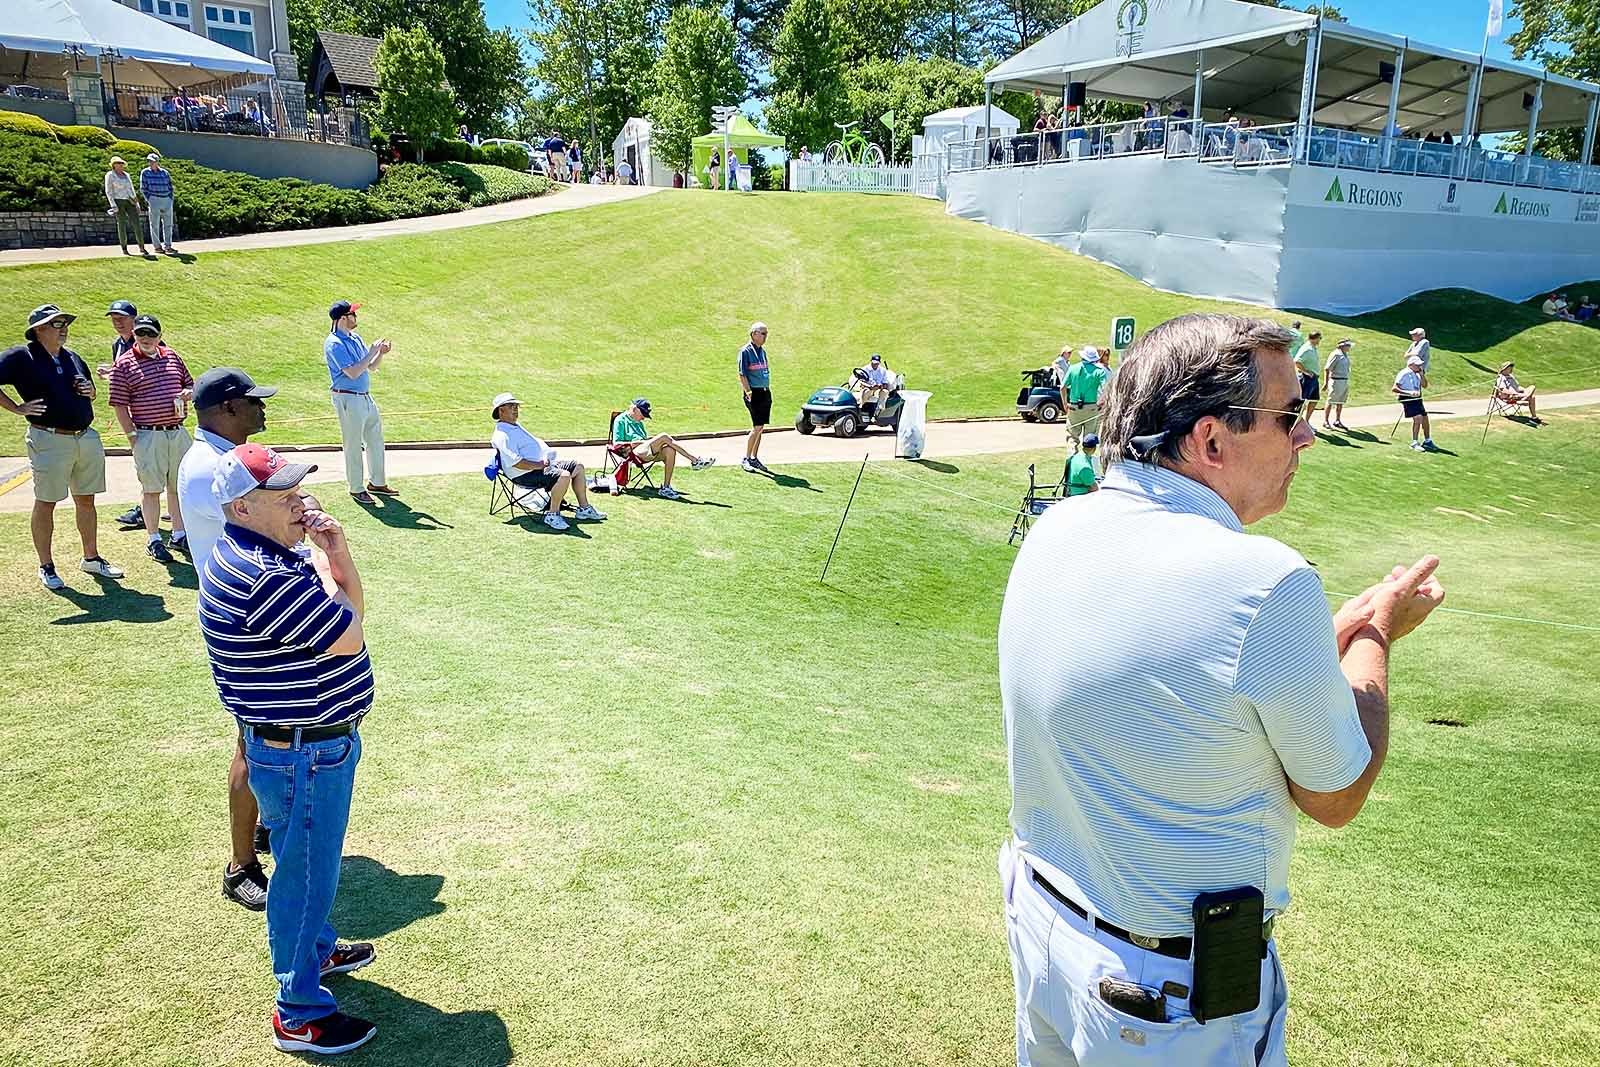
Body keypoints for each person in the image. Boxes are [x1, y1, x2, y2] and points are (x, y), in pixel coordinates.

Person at [998, 312, 1445, 1067]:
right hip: (1165, 1001)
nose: (1304, 436)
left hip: (1048, 929)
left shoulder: (1059, 527)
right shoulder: (1266, 582)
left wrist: (1308, 647)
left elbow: (1176, 679)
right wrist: (1372, 637)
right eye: (1289, 415)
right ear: (1211, 440)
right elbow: (1336, 794)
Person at [199, 443, 379, 1055]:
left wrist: (335, 553)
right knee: (304, 879)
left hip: (302, 746)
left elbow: (348, 616)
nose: (302, 504)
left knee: (307, 870)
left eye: (300, 491)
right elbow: (351, 635)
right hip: (303, 752)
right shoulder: (265, 573)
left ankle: (318, 950)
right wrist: (337, 565)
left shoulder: (270, 552)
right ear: (242, 508)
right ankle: (298, 1013)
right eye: (286, 496)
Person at [178, 366, 279, 911]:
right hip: (246, 625)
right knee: (253, 739)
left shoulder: (218, 461)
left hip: (257, 616)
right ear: (227, 409)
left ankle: (262, 826)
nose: (263, 411)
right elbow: (266, 530)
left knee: (267, 733)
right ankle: (241, 865)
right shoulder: (207, 469)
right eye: (254, 403)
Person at [0, 305, 124, 589]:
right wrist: (17, 408)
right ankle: (46, 565)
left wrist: (89, 391)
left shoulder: (73, 357)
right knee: (47, 502)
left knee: (86, 499)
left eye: (65, 322)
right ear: (38, 330)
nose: (64, 327)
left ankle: (91, 558)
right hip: (49, 438)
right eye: (56, 323)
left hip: (85, 437)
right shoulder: (22, 356)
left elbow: (91, 392)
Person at [108, 314, 194, 562]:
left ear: (159, 336)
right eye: (140, 334)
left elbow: (189, 383)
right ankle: (154, 538)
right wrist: (133, 436)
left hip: (176, 431)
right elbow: (119, 405)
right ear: (134, 335)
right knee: (151, 489)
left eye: (151, 334)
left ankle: (178, 534)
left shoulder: (172, 357)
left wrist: (188, 392)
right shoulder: (124, 364)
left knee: (177, 486)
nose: (145, 339)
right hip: (148, 433)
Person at [490, 393, 606, 530]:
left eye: (516, 406)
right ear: (501, 410)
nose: (516, 409)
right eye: (511, 406)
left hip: (540, 466)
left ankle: (584, 509)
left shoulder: (514, 425)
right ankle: (552, 514)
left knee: (578, 466)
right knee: (564, 475)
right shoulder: (502, 435)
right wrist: (539, 464)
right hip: (524, 475)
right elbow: (516, 462)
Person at [323, 300, 395, 504]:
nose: (356, 317)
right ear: (343, 318)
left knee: (375, 440)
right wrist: (372, 351)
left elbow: (369, 367)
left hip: (364, 397)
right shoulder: (334, 343)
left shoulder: (355, 338)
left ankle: (377, 482)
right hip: (347, 397)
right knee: (353, 443)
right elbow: (353, 372)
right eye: (353, 314)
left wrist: (380, 353)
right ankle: (356, 488)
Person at [610, 397, 715, 500]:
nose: (644, 418)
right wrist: (638, 443)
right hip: (632, 453)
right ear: (635, 409)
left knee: (670, 450)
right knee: (664, 436)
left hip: (645, 452)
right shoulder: (620, 420)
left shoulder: (639, 424)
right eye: (643, 414)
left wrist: (646, 442)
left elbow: (645, 441)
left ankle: (666, 487)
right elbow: (617, 444)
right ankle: (695, 460)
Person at [738, 322, 772, 474]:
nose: (765, 337)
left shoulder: (762, 352)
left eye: (766, 334)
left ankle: (754, 458)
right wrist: (748, 392)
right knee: (757, 427)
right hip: (754, 393)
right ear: (754, 334)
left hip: (765, 392)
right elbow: (742, 374)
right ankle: (746, 458)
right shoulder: (745, 351)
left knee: (761, 428)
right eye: (763, 333)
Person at [103, 156, 149, 257]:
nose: (120, 165)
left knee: (136, 223)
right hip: (118, 201)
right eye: (118, 163)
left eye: (121, 163)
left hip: (129, 200)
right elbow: (108, 191)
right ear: (113, 165)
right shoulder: (110, 175)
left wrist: (136, 203)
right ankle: (124, 247)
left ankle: (141, 246)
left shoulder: (126, 175)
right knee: (121, 224)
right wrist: (113, 205)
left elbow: (131, 189)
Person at [1064, 346, 1108, 443]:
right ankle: (1087, 457)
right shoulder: (1099, 371)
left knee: (1072, 438)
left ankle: (1072, 457)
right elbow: (1106, 389)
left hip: (1074, 406)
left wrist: (1064, 404)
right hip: (1092, 407)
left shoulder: (1073, 368)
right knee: (1090, 439)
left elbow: (1062, 387)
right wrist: (1101, 403)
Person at [1393, 354, 1433, 451]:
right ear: (1411, 364)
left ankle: (1428, 441)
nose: (1420, 367)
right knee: (1418, 418)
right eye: (1417, 365)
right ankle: (1414, 443)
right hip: (1407, 398)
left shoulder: (1418, 374)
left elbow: (1425, 386)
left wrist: (1422, 375)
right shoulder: (1404, 373)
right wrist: (1409, 392)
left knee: (1425, 418)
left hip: (1417, 398)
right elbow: (1394, 388)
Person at [140, 153, 177, 255]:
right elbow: (143, 188)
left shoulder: (165, 173)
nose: (151, 163)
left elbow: (170, 186)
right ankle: (157, 247)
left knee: (168, 224)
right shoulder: (145, 173)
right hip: (154, 200)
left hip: (166, 200)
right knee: (154, 224)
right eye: (149, 161)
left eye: (153, 161)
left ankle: (168, 246)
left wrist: (170, 198)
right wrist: (150, 199)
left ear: (157, 162)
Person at [1293, 329, 1321, 427]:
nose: (1320, 340)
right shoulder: (1307, 348)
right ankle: (1296, 422)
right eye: (1319, 338)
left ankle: (1307, 421)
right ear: (1314, 338)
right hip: (1307, 378)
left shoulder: (1313, 348)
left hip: (1314, 378)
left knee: (1314, 400)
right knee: (1303, 401)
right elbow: (1297, 361)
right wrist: (1306, 372)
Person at [1322, 338, 1353, 430]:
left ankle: (1337, 420)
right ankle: (1326, 421)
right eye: (1348, 345)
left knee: (1340, 402)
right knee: (1331, 401)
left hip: (1344, 381)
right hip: (1336, 380)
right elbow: (1327, 368)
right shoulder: (1335, 354)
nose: (1349, 347)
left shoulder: (1345, 355)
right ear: (1342, 346)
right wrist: (1326, 383)